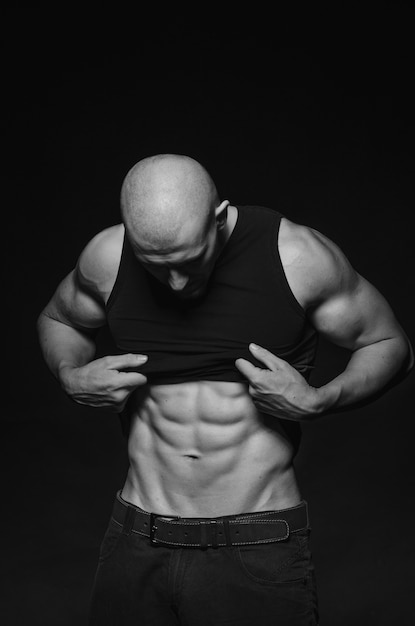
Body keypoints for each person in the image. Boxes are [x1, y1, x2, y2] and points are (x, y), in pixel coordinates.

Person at [37, 153, 413, 626]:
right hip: (135, 541)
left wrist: (321, 400)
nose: (174, 283)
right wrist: (71, 373)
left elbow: (390, 345)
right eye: (156, 266)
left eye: (188, 263)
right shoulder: (108, 257)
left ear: (218, 220)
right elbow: (59, 319)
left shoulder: (296, 257)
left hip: (253, 544)